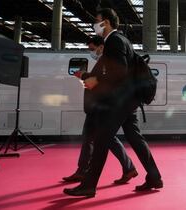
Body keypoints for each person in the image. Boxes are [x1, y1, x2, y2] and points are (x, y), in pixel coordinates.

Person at [64, 8, 162, 197]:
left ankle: (88, 185)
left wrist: (96, 81)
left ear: (106, 23)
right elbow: (112, 71)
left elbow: (120, 72)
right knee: (135, 138)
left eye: (97, 21)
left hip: (120, 101)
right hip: (129, 100)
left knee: (101, 139)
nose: (95, 25)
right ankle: (154, 177)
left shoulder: (115, 41)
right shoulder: (121, 40)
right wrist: (88, 76)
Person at [62, 36, 137, 185]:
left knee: (97, 138)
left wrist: (84, 75)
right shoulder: (103, 61)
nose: (91, 52)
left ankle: (84, 172)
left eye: (92, 49)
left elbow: (104, 81)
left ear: (101, 47)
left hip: (99, 107)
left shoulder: (106, 61)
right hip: (98, 106)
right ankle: (127, 168)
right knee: (101, 139)